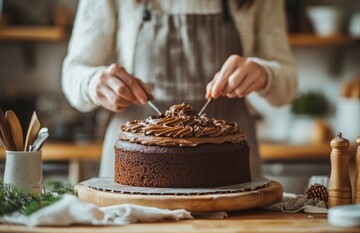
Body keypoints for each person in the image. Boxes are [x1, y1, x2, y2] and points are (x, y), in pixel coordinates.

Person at [62, 0, 297, 178]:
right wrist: (93, 82)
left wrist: (265, 74)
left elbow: (288, 85)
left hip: (229, 162)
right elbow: (73, 72)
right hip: (135, 160)